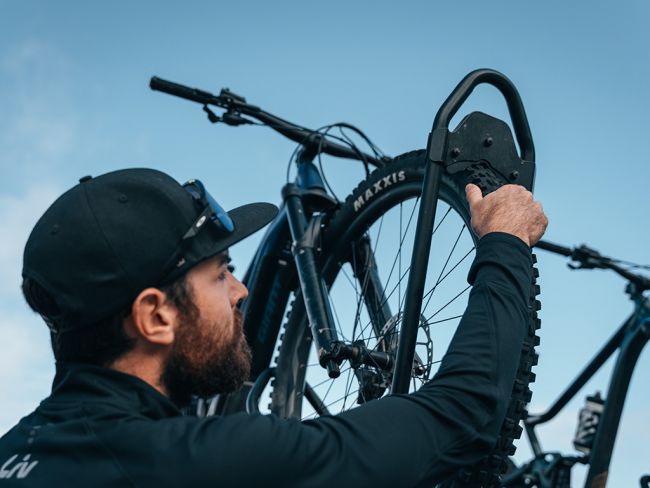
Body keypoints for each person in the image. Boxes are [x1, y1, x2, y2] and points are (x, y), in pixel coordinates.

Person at [0, 168, 547, 487]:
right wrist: (505, 245)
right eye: (220, 275)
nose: (239, 292)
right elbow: (464, 413)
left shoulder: (17, 450)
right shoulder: (194, 462)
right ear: (155, 315)